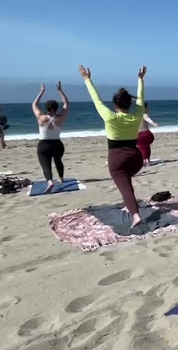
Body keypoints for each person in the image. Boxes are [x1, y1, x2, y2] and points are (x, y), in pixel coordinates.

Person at [80, 64, 148, 228]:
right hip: (136, 158)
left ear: (115, 105)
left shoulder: (110, 117)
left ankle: (136, 215)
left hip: (117, 159)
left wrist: (87, 79)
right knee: (126, 182)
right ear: (128, 104)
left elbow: (96, 99)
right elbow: (140, 99)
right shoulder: (136, 115)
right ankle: (130, 205)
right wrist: (140, 80)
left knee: (124, 186)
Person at [32, 82, 71, 191]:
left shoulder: (41, 117)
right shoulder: (60, 117)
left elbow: (34, 104)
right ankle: (61, 179)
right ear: (56, 108)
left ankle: (50, 181)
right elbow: (66, 104)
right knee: (58, 160)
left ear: (46, 108)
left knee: (45, 164)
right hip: (57, 144)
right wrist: (60, 91)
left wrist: (41, 92)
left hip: (44, 144)